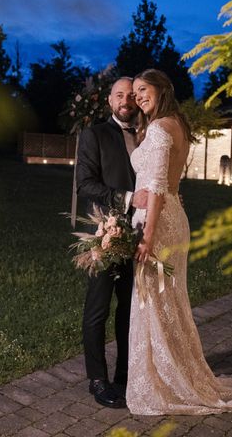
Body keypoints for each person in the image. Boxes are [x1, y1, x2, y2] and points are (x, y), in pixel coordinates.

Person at [127, 69, 232, 415]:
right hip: (175, 217)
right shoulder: (178, 124)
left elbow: (154, 187)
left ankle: (165, 380)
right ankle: (177, 370)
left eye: (143, 90)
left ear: (161, 88)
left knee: (154, 299)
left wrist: (147, 237)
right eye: (135, 92)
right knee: (170, 299)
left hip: (159, 224)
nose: (138, 96)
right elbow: (165, 183)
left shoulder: (157, 128)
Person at [75, 77, 144, 408]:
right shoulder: (95, 135)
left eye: (131, 95)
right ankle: (97, 380)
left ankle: (124, 377)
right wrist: (128, 198)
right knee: (97, 310)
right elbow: (85, 185)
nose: (126, 100)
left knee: (130, 309)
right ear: (109, 100)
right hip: (106, 233)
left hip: (141, 236)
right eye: (120, 95)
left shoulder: (146, 134)